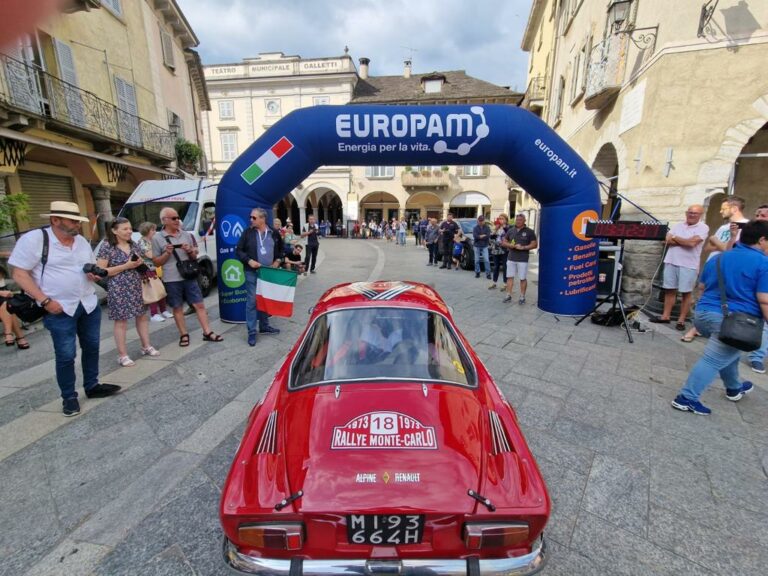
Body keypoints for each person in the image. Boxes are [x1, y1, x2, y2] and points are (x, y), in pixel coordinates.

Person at [10, 201, 121, 416]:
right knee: (65, 354)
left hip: (87, 304)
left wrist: (92, 274)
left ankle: (92, 385)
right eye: (73, 221)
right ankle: (69, 397)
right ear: (55, 220)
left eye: (78, 221)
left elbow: (87, 268)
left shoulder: (80, 242)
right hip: (58, 308)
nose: (77, 226)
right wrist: (44, 301)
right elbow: (19, 274)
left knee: (92, 346)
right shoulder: (35, 240)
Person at [671, 220, 768, 415]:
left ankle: (734, 388)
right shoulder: (764, 263)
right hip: (734, 321)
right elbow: (764, 300)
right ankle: (686, 398)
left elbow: (702, 287)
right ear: (762, 240)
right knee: (714, 358)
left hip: (703, 315)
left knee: (728, 351)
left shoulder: (719, 258)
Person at [151, 206, 223, 346]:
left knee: (199, 304)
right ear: (164, 220)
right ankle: (184, 334)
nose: (177, 220)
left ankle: (207, 332)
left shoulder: (186, 235)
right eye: (174, 218)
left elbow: (194, 255)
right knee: (177, 307)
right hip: (171, 278)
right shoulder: (157, 238)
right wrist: (166, 253)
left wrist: (190, 250)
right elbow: (156, 262)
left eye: (178, 217)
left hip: (189, 276)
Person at [97, 218, 160, 367]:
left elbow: (140, 262)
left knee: (142, 317)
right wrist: (126, 265)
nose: (129, 231)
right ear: (114, 231)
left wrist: (140, 264)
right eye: (125, 229)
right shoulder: (107, 246)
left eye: (130, 228)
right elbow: (101, 271)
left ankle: (146, 346)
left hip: (136, 285)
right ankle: (123, 355)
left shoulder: (133, 244)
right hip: (118, 287)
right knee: (121, 322)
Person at [650, 205, 708, 330]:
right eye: (690, 212)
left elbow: (692, 243)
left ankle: (681, 320)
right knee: (669, 290)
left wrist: (675, 238)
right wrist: (684, 241)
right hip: (671, 261)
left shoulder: (703, 227)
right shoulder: (678, 225)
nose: (691, 215)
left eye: (695, 213)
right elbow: (665, 240)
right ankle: (665, 316)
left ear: (700, 215)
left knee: (686, 293)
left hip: (689, 264)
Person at [236, 207, 283, 346]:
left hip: (268, 272)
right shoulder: (248, 233)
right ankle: (252, 331)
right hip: (252, 272)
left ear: (263, 219)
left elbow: (280, 250)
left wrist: (277, 261)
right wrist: (249, 260)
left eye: (254, 218)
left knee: (264, 300)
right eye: (250, 217)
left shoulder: (274, 233)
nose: (251, 220)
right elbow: (238, 250)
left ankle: (264, 326)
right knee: (252, 301)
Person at [747, 204, 768, 373]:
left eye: (763, 215)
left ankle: (757, 356)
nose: (759, 217)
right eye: (757, 214)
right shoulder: (751, 232)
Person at [138, 221, 172, 322]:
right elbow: (150, 255)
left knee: (161, 290)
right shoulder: (142, 242)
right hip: (148, 270)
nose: (155, 231)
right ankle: (154, 314)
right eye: (153, 230)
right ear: (147, 231)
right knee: (153, 292)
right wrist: (164, 251)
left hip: (157, 268)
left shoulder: (152, 241)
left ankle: (163, 310)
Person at [502, 214, 538, 304]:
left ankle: (522, 297)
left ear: (524, 221)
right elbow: (504, 241)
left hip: (523, 259)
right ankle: (508, 295)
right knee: (509, 277)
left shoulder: (529, 231)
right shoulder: (511, 230)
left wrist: (524, 247)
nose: (518, 221)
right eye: (517, 220)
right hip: (511, 257)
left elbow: (534, 244)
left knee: (522, 278)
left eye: (520, 220)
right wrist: (510, 245)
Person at [488, 214, 509, 291]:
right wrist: (495, 231)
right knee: (496, 267)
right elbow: (490, 238)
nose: (500, 220)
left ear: (506, 220)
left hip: (504, 250)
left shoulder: (508, 228)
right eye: (499, 218)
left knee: (505, 267)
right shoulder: (497, 227)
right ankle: (494, 283)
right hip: (495, 250)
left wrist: (505, 227)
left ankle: (505, 284)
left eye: (502, 219)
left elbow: (510, 236)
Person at [472, 215, 492, 280]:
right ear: (478, 221)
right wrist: (482, 236)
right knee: (476, 260)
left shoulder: (487, 227)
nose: (480, 222)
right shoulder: (475, 228)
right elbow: (475, 236)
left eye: (482, 221)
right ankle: (477, 272)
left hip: (485, 245)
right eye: (479, 221)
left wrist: (480, 236)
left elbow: (488, 236)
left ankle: (488, 273)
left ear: (484, 221)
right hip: (477, 245)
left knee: (486, 260)